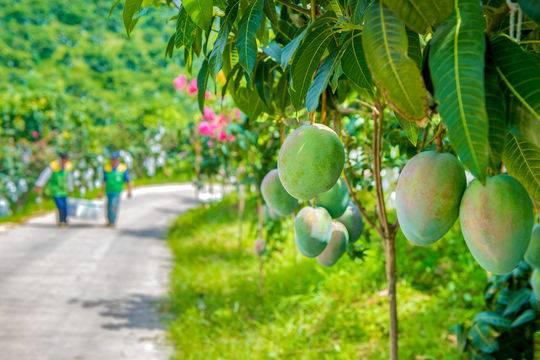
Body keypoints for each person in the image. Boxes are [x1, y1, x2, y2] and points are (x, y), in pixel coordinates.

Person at [34, 153, 73, 226]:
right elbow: (44, 175)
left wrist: (70, 188)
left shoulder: (68, 166)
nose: (65, 162)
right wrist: (39, 185)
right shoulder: (53, 166)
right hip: (55, 189)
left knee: (65, 205)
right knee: (60, 205)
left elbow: (69, 179)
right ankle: (62, 220)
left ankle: (64, 220)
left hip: (64, 190)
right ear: (61, 159)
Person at [102, 152, 132, 227]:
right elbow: (104, 180)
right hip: (108, 190)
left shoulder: (123, 168)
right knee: (108, 206)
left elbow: (128, 181)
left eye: (115, 159)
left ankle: (113, 221)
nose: (113, 161)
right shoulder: (107, 168)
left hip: (117, 191)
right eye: (112, 159)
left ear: (118, 160)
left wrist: (129, 191)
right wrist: (101, 191)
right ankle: (109, 221)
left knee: (114, 205)